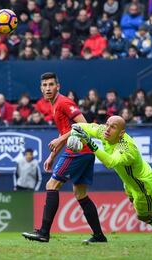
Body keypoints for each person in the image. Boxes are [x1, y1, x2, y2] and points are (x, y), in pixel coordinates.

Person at [68, 117, 152, 246]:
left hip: (144, 185)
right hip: (130, 181)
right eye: (107, 124)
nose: (107, 129)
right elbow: (78, 126)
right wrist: (75, 134)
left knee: (144, 216)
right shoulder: (104, 131)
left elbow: (110, 162)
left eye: (113, 127)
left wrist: (88, 142)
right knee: (133, 200)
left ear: (121, 133)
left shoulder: (126, 148)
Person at [22, 72, 105, 243]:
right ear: (41, 88)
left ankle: (44, 232)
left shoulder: (64, 102)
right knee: (80, 193)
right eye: (45, 85)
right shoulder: (54, 105)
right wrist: (52, 156)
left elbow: (84, 125)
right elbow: (64, 132)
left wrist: (60, 140)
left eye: (51, 84)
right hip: (86, 152)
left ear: (57, 86)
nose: (48, 88)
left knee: (52, 184)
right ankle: (99, 236)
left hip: (78, 151)